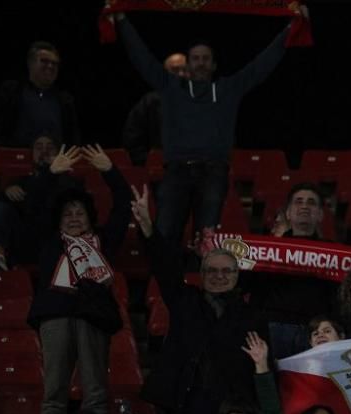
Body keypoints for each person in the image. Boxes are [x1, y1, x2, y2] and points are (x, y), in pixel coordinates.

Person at [112, 12, 294, 244]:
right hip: (176, 172)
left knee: (207, 240)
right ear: (188, 64)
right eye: (196, 58)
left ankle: (202, 279)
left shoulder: (228, 89)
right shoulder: (170, 87)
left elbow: (261, 65)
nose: (200, 63)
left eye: (205, 58)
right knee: (165, 236)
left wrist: (290, 29)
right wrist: (122, 21)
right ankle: (166, 280)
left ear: (214, 64)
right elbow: (141, 57)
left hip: (213, 173)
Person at [132, 185, 265, 414]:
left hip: (231, 409)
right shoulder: (185, 300)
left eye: (227, 271)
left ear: (237, 276)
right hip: (189, 404)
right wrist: (147, 226)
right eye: (211, 271)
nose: (219, 276)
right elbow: (164, 267)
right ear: (201, 275)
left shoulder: (251, 314)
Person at [27, 145, 131, 414]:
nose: (74, 218)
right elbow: (31, 206)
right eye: (68, 214)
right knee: (54, 394)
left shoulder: (104, 241)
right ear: (58, 221)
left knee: (95, 393)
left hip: (93, 317)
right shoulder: (49, 242)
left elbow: (124, 205)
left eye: (80, 213)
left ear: (90, 218)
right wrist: (49, 174)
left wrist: (109, 170)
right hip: (55, 317)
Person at [246, 184, 342, 358]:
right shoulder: (266, 250)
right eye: (299, 202)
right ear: (288, 213)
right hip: (273, 330)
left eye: (311, 202)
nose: (305, 206)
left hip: (316, 333)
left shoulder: (335, 252)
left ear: (320, 215)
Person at [0, 133, 80, 270]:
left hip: (54, 241)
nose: (44, 151)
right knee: (1, 207)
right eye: (39, 147)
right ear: (31, 155)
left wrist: (51, 173)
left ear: (59, 152)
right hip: (25, 241)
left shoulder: (69, 183)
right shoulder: (21, 182)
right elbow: (1, 208)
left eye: (50, 147)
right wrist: (5, 193)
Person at [0, 41, 80, 154]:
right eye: (44, 61)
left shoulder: (65, 100)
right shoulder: (11, 92)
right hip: (16, 163)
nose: (50, 66)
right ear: (30, 63)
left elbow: (73, 139)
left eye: (55, 63)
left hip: (56, 165)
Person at [121, 53, 188, 166]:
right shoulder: (150, 102)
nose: (181, 74)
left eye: (185, 69)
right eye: (175, 70)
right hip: (163, 173)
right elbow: (132, 140)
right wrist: (151, 163)